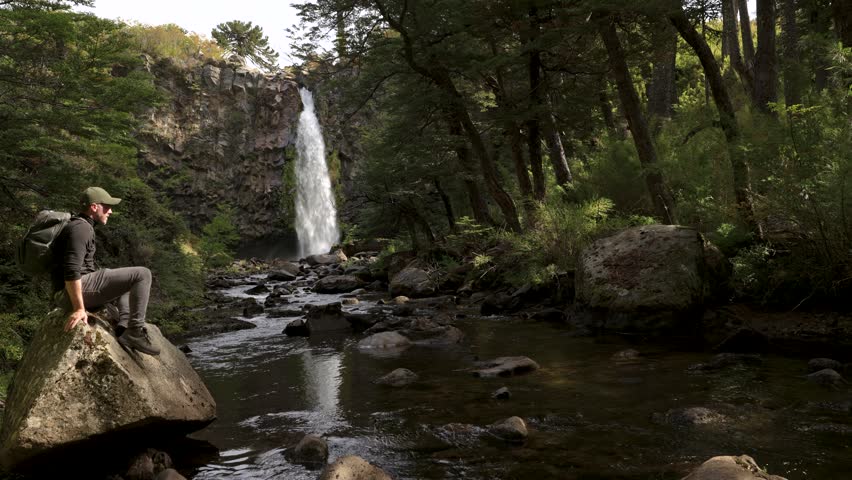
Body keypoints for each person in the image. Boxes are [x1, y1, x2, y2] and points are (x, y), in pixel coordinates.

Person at [51, 186, 160, 356]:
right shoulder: (81, 228)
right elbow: (71, 270)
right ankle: (135, 332)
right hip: (71, 292)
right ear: (94, 207)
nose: (110, 211)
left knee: (129, 282)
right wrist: (79, 308)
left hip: (73, 290)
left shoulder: (79, 225)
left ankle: (124, 325)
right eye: (107, 206)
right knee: (142, 274)